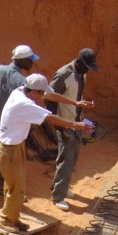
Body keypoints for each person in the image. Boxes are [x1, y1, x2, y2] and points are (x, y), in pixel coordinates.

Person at [0, 45, 91, 192]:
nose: (32, 63)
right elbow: (48, 108)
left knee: (0, 155)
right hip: (11, 128)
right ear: (22, 61)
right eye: (30, 60)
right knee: (2, 159)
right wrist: (74, 120)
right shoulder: (23, 82)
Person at [0, 74, 93, 234]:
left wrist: (74, 102)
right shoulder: (25, 104)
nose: (43, 97)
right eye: (41, 93)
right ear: (35, 92)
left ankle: (12, 216)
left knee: (15, 185)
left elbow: (49, 95)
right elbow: (50, 118)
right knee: (16, 187)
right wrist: (75, 125)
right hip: (10, 150)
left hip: (14, 147)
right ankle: (6, 220)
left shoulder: (20, 91)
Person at [45, 48, 99, 211]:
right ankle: (58, 196)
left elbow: (73, 96)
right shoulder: (64, 74)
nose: (88, 70)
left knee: (73, 157)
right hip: (65, 122)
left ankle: (60, 186)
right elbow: (49, 97)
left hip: (77, 121)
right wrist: (56, 121)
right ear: (79, 62)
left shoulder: (82, 73)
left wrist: (83, 104)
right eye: (87, 67)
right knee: (66, 158)